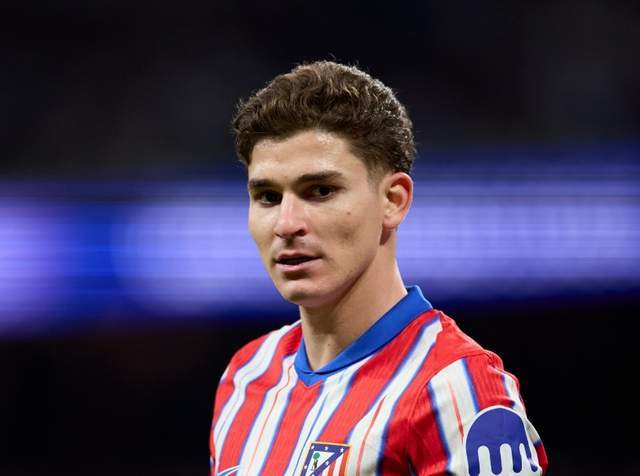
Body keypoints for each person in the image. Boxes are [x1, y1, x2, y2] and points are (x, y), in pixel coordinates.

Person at [209, 61, 547, 476]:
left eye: (321, 190)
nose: (286, 223)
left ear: (393, 200)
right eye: (267, 196)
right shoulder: (246, 376)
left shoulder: (456, 387)